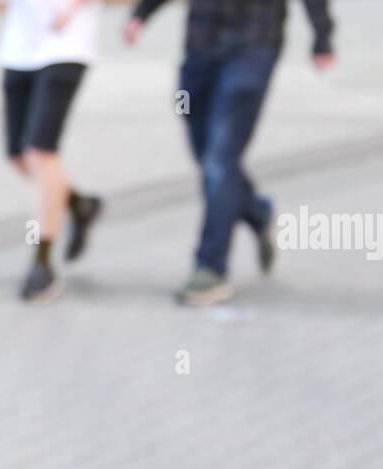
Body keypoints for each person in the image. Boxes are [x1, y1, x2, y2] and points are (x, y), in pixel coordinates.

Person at [124, 0, 335, 306]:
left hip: (254, 46)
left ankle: (211, 267)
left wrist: (322, 36)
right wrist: (141, 15)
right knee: (206, 153)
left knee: (219, 159)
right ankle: (256, 212)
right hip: (200, 45)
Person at [0, 0, 106, 303]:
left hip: (66, 45)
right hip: (19, 48)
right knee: (17, 155)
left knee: (39, 153)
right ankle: (78, 204)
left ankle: (42, 263)